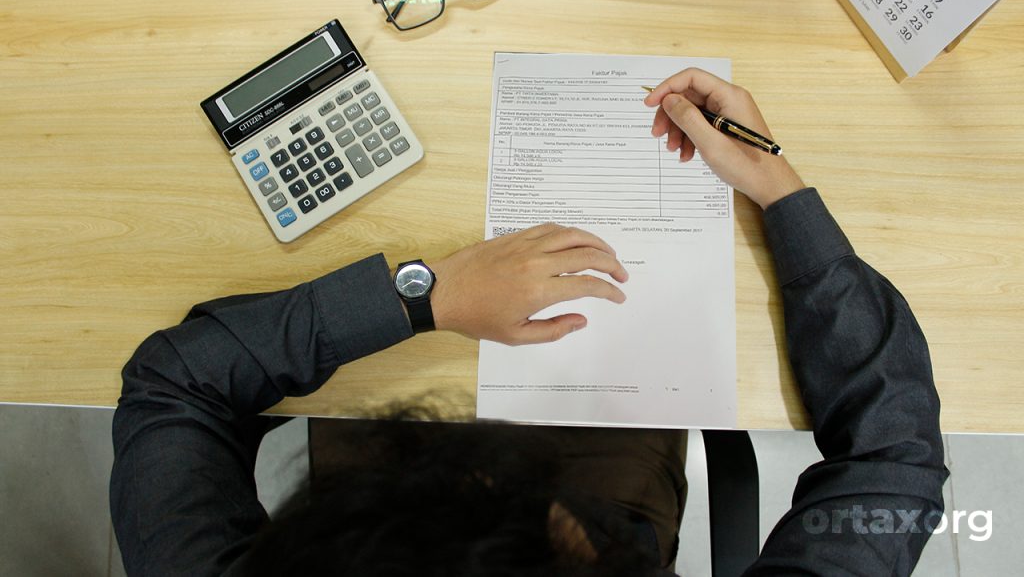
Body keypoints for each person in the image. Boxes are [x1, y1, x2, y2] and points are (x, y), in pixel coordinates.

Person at [110, 69, 948, 576]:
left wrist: (423, 293)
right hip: (598, 487)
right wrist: (776, 184)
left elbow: (175, 381)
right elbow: (893, 455)